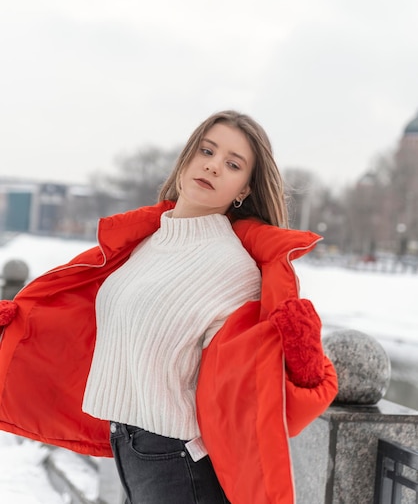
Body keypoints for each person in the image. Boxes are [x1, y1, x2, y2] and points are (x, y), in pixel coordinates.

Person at [0, 110, 338, 504]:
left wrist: (302, 366)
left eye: (232, 164)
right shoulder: (145, 242)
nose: (212, 165)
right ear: (187, 158)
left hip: (176, 460)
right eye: (207, 150)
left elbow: (249, 380)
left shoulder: (234, 268)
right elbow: (91, 322)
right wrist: (22, 324)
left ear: (243, 190)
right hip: (130, 446)